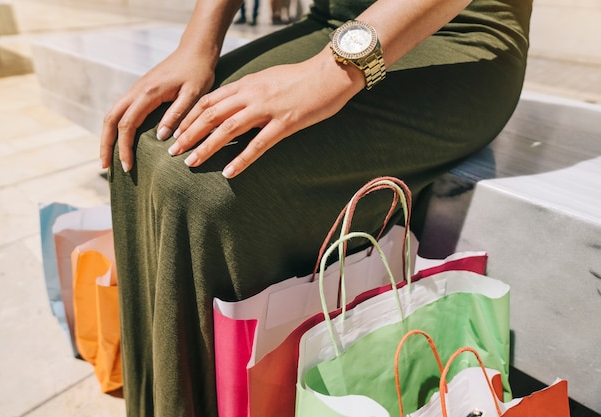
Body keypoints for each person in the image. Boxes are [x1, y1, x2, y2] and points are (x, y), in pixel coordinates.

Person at [99, 0, 532, 415]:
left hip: (458, 37)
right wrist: (196, 46)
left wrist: (330, 71)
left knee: (204, 185)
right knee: (145, 136)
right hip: (332, 24)